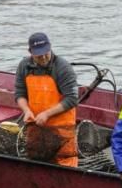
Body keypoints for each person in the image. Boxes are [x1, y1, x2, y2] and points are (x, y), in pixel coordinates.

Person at [14, 32, 79, 167]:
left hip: (62, 129)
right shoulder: (24, 66)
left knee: (65, 163)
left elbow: (72, 99)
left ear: (50, 47)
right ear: (30, 52)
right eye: (38, 55)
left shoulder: (63, 68)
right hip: (36, 127)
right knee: (36, 162)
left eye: (46, 53)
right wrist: (26, 110)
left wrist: (47, 114)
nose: (43, 57)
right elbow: (19, 94)